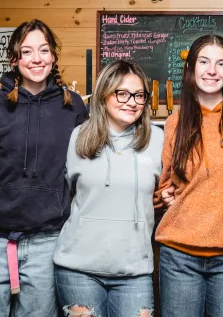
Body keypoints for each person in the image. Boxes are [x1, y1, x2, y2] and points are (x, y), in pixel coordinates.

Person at [0, 19, 87, 316]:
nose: (37, 59)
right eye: (27, 52)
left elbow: (85, 164)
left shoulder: (73, 105)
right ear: (14, 59)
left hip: (47, 239)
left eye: (44, 50)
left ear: (54, 56)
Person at [155, 34, 223, 317]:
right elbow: (164, 185)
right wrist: (163, 195)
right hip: (180, 253)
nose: (212, 70)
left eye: (221, 63)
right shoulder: (175, 121)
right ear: (191, 69)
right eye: (204, 61)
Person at [53, 60, 162, 317]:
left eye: (139, 95)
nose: (131, 101)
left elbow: (169, 187)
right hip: (77, 269)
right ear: (104, 94)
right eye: (122, 93)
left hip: (134, 272)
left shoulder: (158, 140)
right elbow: (62, 193)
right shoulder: (78, 137)